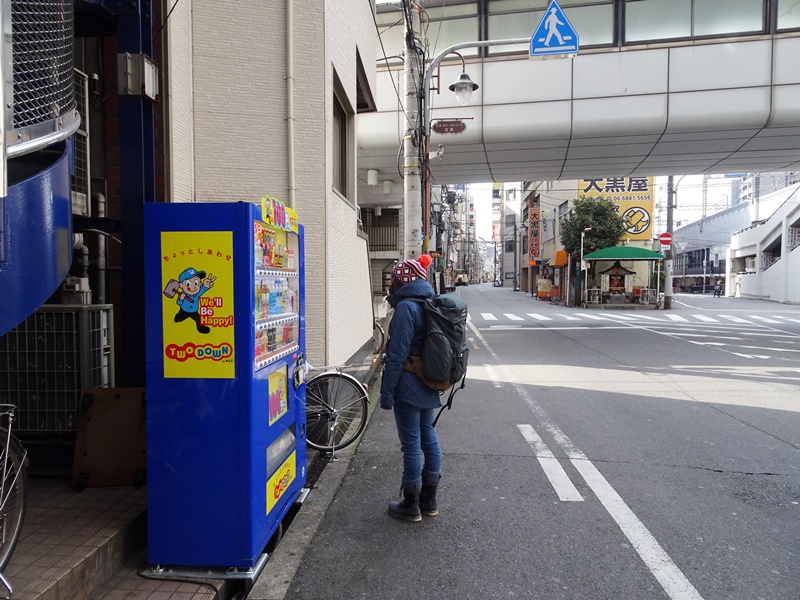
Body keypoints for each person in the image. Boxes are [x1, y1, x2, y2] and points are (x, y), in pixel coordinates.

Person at [380, 254, 442, 523]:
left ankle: (411, 503)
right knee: (428, 437)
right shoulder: (431, 303)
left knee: (412, 444)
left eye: (392, 279)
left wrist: (386, 392)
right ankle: (429, 500)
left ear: (402, 282)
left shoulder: (406, 308)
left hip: (408, 383)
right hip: (429, 379)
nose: (390, 284)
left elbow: (397, 355)